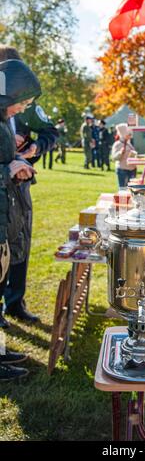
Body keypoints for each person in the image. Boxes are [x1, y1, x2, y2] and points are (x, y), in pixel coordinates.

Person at [0, 45, 58, 323]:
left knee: (20, 241)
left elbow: (50, 131)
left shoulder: (29, 105)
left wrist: (34, 148)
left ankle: (14, 301)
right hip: (4, 181)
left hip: (19, 183)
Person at [0, 58, 41, 380]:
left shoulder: (3, 120)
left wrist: (15, 163)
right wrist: (8, 168)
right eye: (21, 102)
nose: (21, 109)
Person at [111, 123, 137, 188]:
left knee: (131, 190)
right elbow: (114, 158)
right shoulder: (117, 144)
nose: (130, 136)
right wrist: (120, 153)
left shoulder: (129, 143)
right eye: (129, 134)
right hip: (123, 170)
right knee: (123, 190)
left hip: (132, 169)